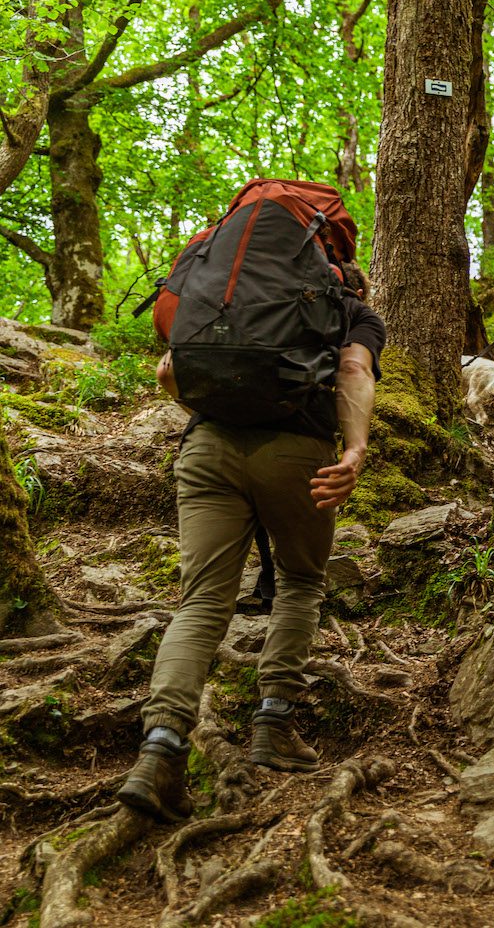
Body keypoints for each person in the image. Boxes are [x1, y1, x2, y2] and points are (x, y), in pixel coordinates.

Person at [118, 260, 384, 821]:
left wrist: (213, 414)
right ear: (352, 285)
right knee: (303, 580)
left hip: (207, 448)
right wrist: (355, 451)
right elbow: (354, 370)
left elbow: (168, 373)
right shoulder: (354, 311)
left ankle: (159, 751)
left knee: (201, 602)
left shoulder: (228, 297)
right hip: (298, 451)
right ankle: (273, 723)